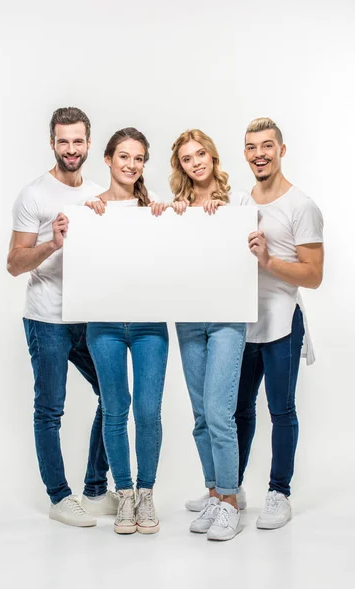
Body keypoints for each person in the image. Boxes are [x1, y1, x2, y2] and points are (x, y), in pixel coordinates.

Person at [186, 118, 324, 531]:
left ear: (282, 150)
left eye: (267, 146)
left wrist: (269, 262)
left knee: (281, 410)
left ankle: (279, 492)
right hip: (241, 320)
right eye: (251, 147)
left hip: (282, 320)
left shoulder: (302, 206)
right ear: (244, 153)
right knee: (235, 410)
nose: (259, 154)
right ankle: (232, 490)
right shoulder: (242, 202)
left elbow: (314, 275)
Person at [7, 107, 117, 527]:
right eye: (63, 141)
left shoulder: (96, 193)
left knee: (113, 397)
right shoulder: (33, 195)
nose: (70, 149)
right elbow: (15, 264)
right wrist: (52, 242)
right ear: (52, 143)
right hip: (47, 318)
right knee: (50, 409)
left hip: (89, 317)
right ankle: (59, 497)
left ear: (90, 144)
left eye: (78, 141)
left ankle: (94, 490)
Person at [84, 127, 169, 535]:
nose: (131, 165)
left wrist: (171, 216)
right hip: (104, 324)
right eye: (124, 157)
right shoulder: (90, 209)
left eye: (138, 158)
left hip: (149, 321)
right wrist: (80, 221)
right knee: (115, 409)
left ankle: (147, 490)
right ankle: (124, 494)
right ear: (108, 159)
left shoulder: (153, 209)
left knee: (148, 410)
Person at [170, 129, 251, 541]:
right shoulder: (176, 209)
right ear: (180, 166)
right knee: (201, 415)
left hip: (226, 318)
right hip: (188, 318)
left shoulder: (238, 203)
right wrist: (170, 218)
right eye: (187, 158)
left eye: (200, 153)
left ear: (213, 156)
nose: (195, 162)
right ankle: (215, 491)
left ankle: (232, 502)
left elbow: (251, 250)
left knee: (220, 413)